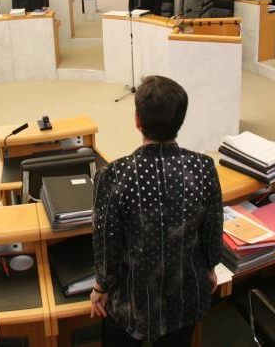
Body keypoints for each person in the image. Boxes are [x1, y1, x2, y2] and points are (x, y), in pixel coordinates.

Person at [91, 75, 223, 346]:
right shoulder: (204, 168)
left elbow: (107, 245)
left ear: (137, 120)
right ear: (181, 121)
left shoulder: (114, 175)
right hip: (185, 297)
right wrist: (210, 267)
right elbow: (212, 230)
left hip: (131, 303)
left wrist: (100, 287)